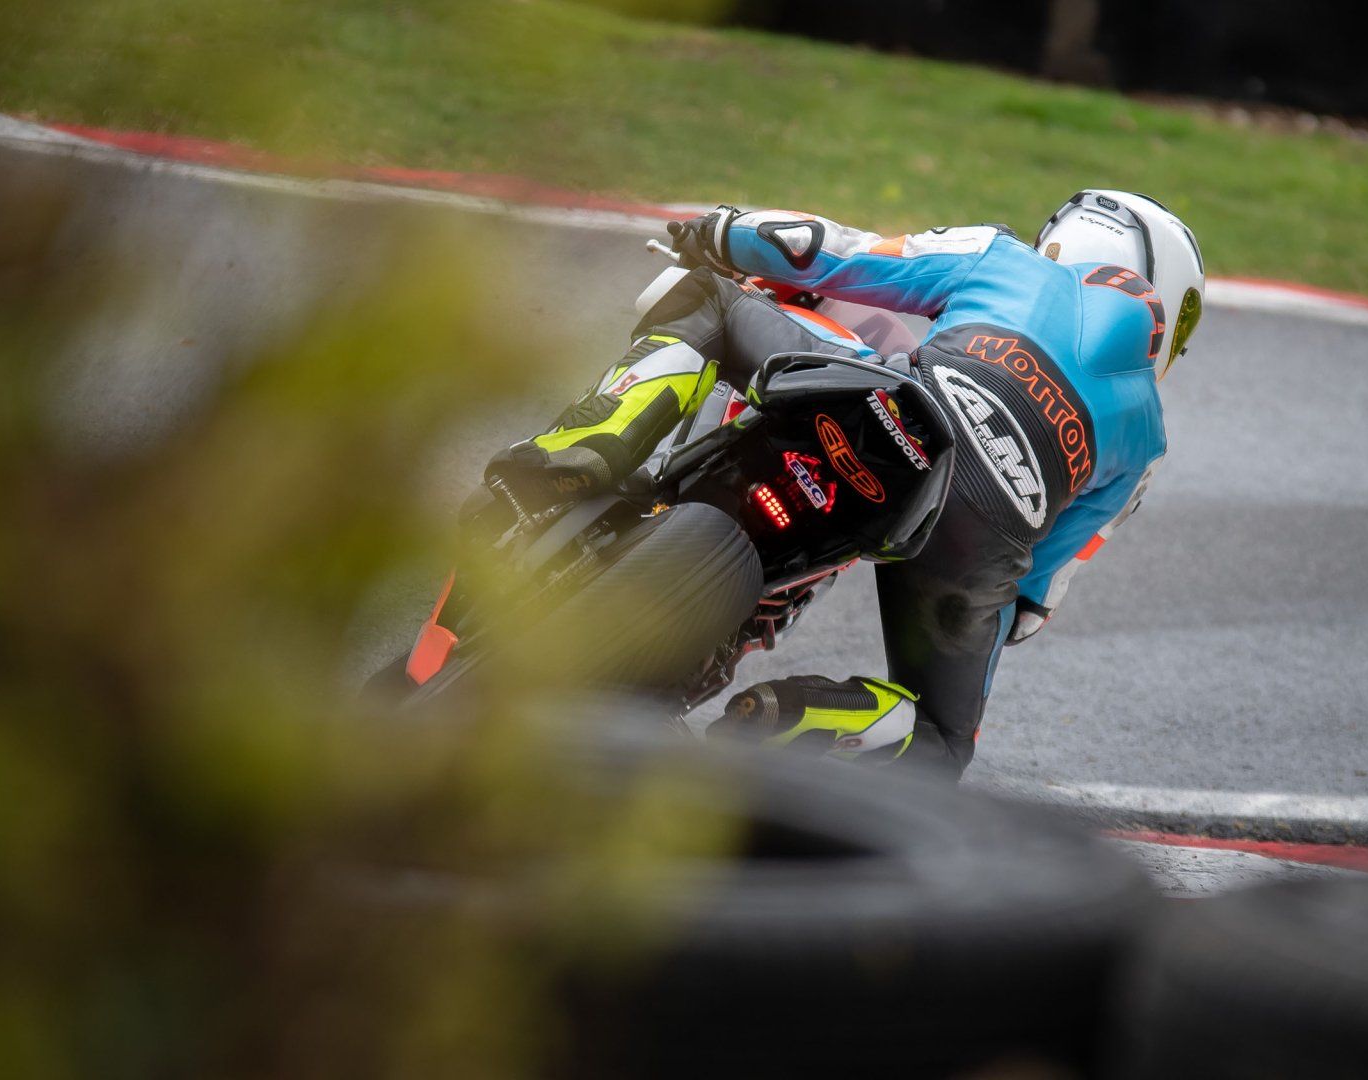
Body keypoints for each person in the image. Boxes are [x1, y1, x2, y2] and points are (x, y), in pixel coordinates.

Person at [485, 191, 1204, 779]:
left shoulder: (1005, 259)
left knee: (710, 300)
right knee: (941, 745)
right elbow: (1029, 604)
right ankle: (784, 722)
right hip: (974, 543)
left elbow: (824, 250)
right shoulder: (1146, 442)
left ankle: (572, 453)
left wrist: (719, 233)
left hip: (892, 405)